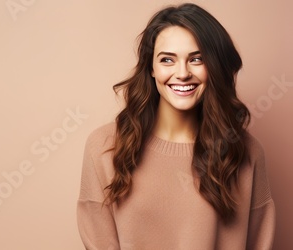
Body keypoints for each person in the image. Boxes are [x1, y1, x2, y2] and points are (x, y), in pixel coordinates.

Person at [76, 3, 275, 249]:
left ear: (214, 67)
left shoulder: (246, 152)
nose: (182, 73)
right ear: (151, 67)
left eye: (197, 59)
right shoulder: (105, 147)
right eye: (167, 59)